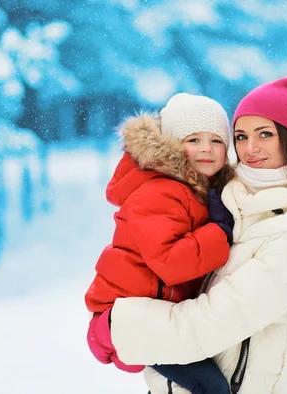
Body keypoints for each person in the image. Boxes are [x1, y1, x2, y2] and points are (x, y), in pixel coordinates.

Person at [89, 77, 287, 394]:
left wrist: (116, 327)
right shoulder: (232, 201)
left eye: (265, 134)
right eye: (241, 136)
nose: (250, 148)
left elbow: (205, 326)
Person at [85, 93, 236, 394]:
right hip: (126, 317)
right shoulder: (160, 191)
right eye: (193, 139)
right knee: (212, 388)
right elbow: (170, 262)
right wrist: (220, 232)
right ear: (171, 145)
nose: (206, 148)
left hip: (153, 313)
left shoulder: (195, 190)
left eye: (216, 141)